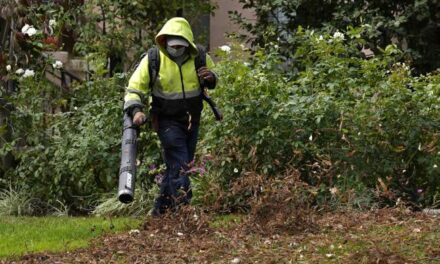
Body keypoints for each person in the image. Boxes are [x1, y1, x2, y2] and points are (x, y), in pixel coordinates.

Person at [123, 17, 218, 215]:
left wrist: (211, 78)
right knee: (181, 165)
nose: (176, 49)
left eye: (181, 46)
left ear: (188, 45)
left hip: (192, 120)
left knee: (177, 166)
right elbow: (133, 88)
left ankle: (161, 212)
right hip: (166, 121)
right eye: (173, 45)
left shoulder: (199, 56)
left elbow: (212, 78)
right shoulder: (153, 59)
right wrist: (136, 110)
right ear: (164, 41)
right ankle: (183, 211)